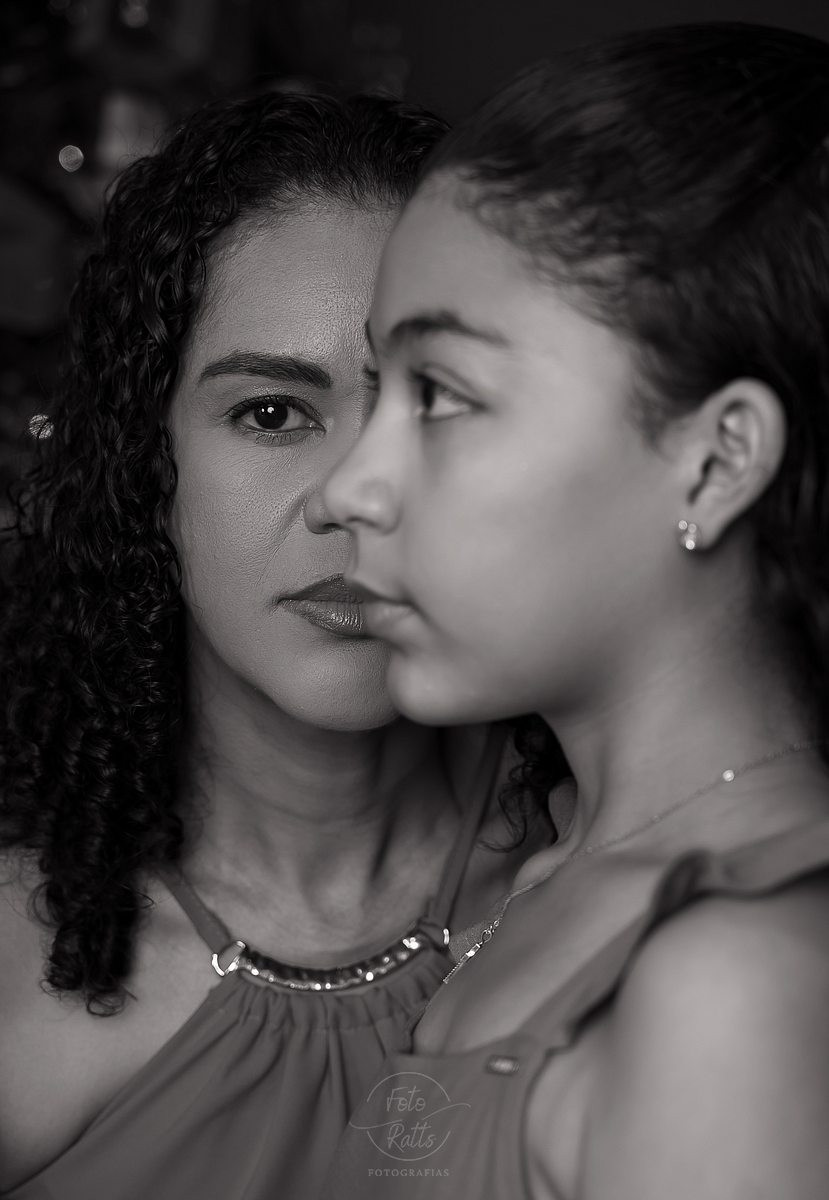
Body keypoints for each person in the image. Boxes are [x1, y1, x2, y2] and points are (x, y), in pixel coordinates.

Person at [0, 90, 557, 1200]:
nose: (357, 496)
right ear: (146, 465)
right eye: (271, 413)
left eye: (431, 405)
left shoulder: (604, 874)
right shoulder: (18, 961)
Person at [323, 23, 829, 1199]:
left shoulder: (732, 982)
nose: (349, 489)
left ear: (716, 461)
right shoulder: (554, 875)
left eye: (441, 395)